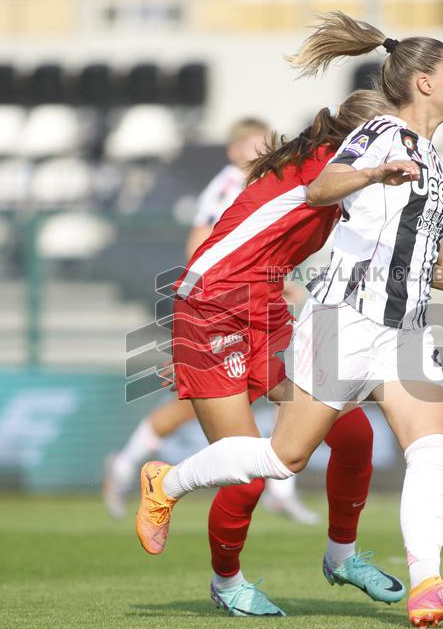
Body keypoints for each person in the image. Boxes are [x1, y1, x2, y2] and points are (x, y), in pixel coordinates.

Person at [135, 12, 443, 628]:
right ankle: (177, 499)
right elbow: (326, 190)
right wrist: (371, 172)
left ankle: (417, 582)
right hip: (269, 311)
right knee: (273, 460)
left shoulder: (424, 157)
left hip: (367, 320)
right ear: (420, 84)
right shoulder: (375, 142)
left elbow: (402, 253)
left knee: (422, 448)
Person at [141, 90, 418, 617]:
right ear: (363, 137)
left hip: (263, 306)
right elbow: (317, 193)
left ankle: (341, 556)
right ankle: (225, 581)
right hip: (211, 309)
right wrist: (375, 174)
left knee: (355, 435)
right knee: (247, 473)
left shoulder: (344, 174)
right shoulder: (330, 170)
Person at [103, 118, 319, 526]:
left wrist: (276, 282)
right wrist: (211, 314)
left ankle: (281, 491)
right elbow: (202, 250)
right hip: (218, 306)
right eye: (254, 146)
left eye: (266, 145)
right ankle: (129, 466)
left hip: (250, 307)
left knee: (282, 392)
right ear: (234, 151)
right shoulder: (225, 188)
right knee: (197, 404)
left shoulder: (264, 184)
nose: (262, 153)